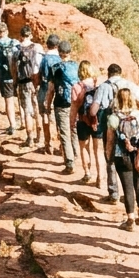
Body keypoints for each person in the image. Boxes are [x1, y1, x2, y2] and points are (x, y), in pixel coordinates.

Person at [89, 64, 139, 204]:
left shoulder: (103, 87)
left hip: (112, 125)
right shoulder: (131, 86)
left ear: (109, 74)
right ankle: (138, 196)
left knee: (110, 157)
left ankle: (114, 193)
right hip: (133, 130)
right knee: (134, 158)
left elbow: (93, 110)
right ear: (121, 73)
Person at [105, 89, 139, 232]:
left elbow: (110, 141)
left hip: (121, 156)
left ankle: (130, 219)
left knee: (127, 187)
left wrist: (108, 156)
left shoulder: (114, 118)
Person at [45, 38, 78, 175]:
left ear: (59, 52)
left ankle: (69, 162)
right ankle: (75, 154)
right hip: (75, 102)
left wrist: (47, 103)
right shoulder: (77, 66)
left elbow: (51, 88)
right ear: (70, 52)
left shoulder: (55, 68)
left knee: (64, 132)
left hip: (61, 103)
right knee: (74, 129)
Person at [71, 61, 102, 187]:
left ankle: (87, 173)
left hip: (82, 120)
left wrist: (72, 121)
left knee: (84, 148)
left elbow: (74, 107)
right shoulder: (98, 85)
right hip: (96, 120)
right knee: (97, 151)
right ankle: (100, 177)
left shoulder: (77, 87)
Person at [14, 27, 44, 152]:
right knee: (37, 108)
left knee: (27, 110)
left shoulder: (16, 50)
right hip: (35, 82)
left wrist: (15, 81)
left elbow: (13, 68)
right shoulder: (37, 48)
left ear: (21, 36)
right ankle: (40, 137)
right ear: (30, 35)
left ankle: (30, 138)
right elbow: (40, 65)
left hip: (23, 82)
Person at [0, 23, 20, 135]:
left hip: (4, 77)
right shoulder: (16, 43)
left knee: (9, 101)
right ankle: (24, 122)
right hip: (17, 77)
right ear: (7, 31)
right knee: (20, 99)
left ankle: (12, 125)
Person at [38, 34, 63, 161]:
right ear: (57, 46)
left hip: (45, 88)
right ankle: (62, 145)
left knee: (45, 116)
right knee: (59, 118)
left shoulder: (45, 58)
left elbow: (42, 74)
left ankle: (48, 144)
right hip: (59, 91)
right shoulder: (61, 58)